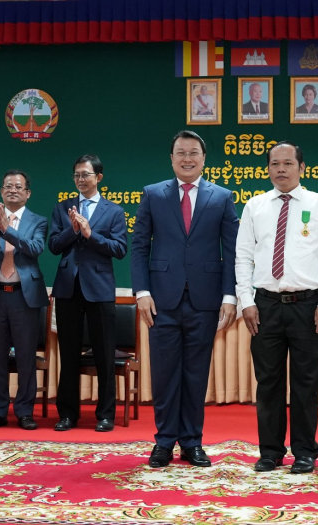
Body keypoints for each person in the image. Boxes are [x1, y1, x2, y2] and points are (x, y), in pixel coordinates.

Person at [235, 141, 318, 474]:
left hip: (309, 306)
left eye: (288, 163)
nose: (281, 169)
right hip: (265, 305)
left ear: (301, 167)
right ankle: (270, 451)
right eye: (275, 164)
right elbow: (242, 257)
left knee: (305, 383)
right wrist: (246, 301)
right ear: (268, 168)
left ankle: (305, 451)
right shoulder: (255, 206)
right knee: (267, 382)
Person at [131, 130, 239, 468]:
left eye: (193, 153)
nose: (187, 158)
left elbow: (232, 251)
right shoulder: (153, 194)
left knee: (195, 374)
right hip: (161, 300)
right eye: (181, 152)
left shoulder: (222, 197)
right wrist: (142, 292)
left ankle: (192, 442)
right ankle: (164, 442)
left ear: (204, 159)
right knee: (164, 374)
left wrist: (230, 295)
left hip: (205, 300)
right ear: (172, 158)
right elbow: (139, 246)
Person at [49, 155, 127, 432]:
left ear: (99, 178)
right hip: (68, 288)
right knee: (68, 353)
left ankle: (105, 414)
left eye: (86, 174)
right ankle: (67, 414)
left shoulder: (114, 211)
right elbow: (53, 246)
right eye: (77, 175)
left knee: (104, 355)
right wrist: (72, 231)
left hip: (100, 289)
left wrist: (90, 233)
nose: (81, 179)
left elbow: (119, 249)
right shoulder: (62, 208)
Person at [0, 170, 49, 431]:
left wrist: (8, 231)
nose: (12, 190)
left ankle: (25, 411)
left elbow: (35, 249)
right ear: (1, 192)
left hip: (23, 297)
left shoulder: (38, 221)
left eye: (18, 187)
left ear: (28, 193)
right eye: (8, 186)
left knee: (26, 356)